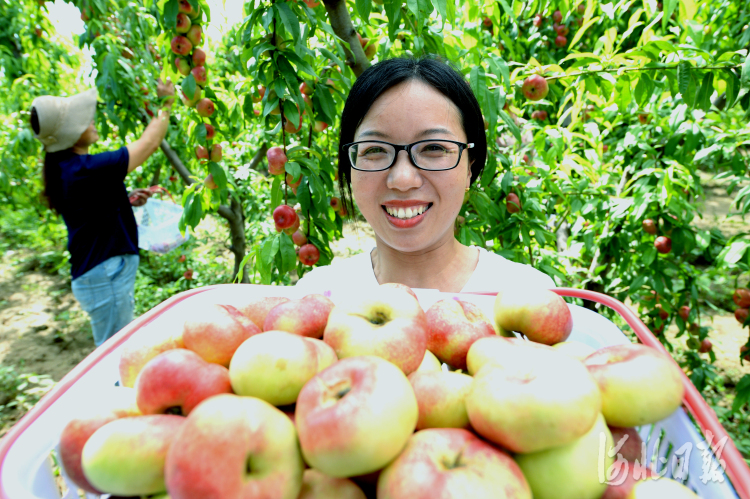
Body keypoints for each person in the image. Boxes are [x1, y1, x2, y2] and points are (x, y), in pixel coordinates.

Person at [296, 57, 554, 293]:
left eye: (433, 148)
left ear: (470, 168)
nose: (402, 179)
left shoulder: (527, 294)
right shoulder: (319, 296)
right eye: (375, 149)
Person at [29, 80, 175, 346]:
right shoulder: (85, 168)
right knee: (115, 353)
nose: (92, 120)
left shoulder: (66, 167)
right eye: (83, 120)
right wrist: (166, 103)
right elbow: (150, 142)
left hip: (100, 273)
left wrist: (124, 200)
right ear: (69, 134)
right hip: (104, 275)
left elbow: (88, 208)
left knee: (117, 347)